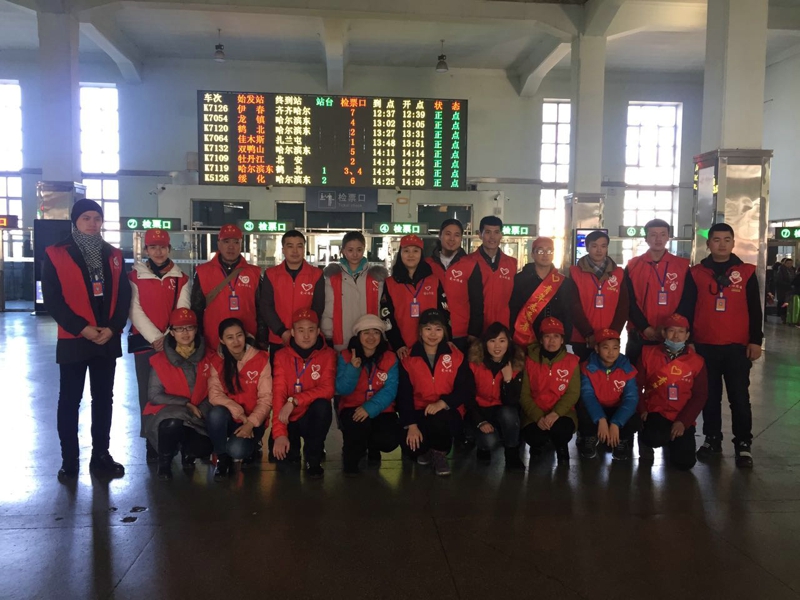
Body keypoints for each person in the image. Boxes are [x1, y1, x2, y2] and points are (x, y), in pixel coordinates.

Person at [42, 199, 131, 481]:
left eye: (97, 218)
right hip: (74, 339)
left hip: (107, 338)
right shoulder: (56, 253)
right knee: (70, 400)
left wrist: (113, 328)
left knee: (103, 399)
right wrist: (83, 328)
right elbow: (53, 300)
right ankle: (69, 460)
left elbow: (124, 295)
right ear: (75, 221)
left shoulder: (114, 255)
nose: (93, 223)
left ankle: (100, 455)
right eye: (86, 218)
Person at [678, 223, 762, 468]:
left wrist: (755, 340)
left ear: (733, 243)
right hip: (704, 346)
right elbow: (687, 308)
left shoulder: (746, 272)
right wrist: (689, 341)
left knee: (739, 397)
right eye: (716, 240)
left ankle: (743, 444)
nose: (722, 244)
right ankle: (712, 439)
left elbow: (755, 309)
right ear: (708, 244)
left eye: (727, 239)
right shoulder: (696, 273)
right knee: (709, 397)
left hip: (737, 347)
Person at [128, 228, 191, 463]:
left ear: (169, 249)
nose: (158, 252)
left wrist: (167, 338)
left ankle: (175, 439)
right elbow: (134, 309)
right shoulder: (134, 277)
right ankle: (151, 442)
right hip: (146, 346)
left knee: (176, 391)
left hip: (173, 344)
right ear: (146, 250)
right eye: (153, 247)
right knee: (147, 394)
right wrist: (156, 337)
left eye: (162, 247)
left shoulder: (181, 278)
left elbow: (182, 310)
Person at [397, 309, 475, 476]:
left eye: (438, 329)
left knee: (439, 419)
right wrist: (411, 425)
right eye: (428, 329)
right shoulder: (408, 359)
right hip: (419, 410)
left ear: (444, 332)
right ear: (420, 331)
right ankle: (427, 450)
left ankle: (439, 453)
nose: (433, 334)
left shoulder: (456, 356)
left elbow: (466, 388)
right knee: (412, 449)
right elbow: (403, 395)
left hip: (448, 411)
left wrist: (443, 403)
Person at [144, 308, 213, 480]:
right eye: (179, 329)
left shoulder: (210, 357)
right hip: (169, 414)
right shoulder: (160, 360)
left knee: (203, 447)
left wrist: (202, 409)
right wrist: (186, 404)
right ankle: (164, 463)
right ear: (172, 332)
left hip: (199, 413)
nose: (185, 333)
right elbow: (154, 395)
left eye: (190, 327)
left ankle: (188, 454)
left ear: (196, 330)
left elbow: (216, 390)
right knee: (172, 423)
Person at [637, 314, 708, 471]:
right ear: (663, 333)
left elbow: (700, 395)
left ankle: (671, 441)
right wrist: (642, 410)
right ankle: (650, 440)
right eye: (671, 331)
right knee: (652, 437)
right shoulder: (647, 353)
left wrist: (684, 421)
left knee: (685, 462)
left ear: (687, 336)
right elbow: (636, 385)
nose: (676, 336)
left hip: (681, 414)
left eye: (681, 332)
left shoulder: (697, 361)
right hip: (656, 412)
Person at [271, 309, 336, 478]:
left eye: (311, 330)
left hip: (310, 416)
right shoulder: (280, 356)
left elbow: (328, 389)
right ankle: (292, 447)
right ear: (292, 332)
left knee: (323, 406)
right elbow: (278, 394)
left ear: (318, 331)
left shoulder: (328, 354)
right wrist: (279, 434)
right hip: (289, 418)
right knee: (284, 463)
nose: (306, 336)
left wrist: (294, 400)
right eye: (301, 330)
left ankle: (312, 456)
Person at [335, 314, 401, 475]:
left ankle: (372, 447)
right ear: (358, 336)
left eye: (376, 332)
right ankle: (352, 456)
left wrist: (369, 408)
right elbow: (342, 389)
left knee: (390, 440)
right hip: (352, 407)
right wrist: (352, 369)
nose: (371, 337)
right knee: (357, 427)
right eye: (366, 332)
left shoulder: (390, 357)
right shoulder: (346, 356)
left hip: (381, 409)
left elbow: (390, 390)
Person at [207, 318, 272, 480]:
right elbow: (215, 395)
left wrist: (250, 423)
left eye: (239, 335)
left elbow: (266, 399)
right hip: (232, 417)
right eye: (230, 337)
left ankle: (252, 446)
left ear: (245, 335)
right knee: (215, 414)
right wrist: (239, 412)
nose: (236, 341)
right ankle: (222, 458)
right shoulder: (217, 361)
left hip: (253, 421)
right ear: (222, 340)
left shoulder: (261, 359)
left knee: (237, 450)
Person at [624, 219, 690, 366]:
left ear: (668, 237)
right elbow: (628, 301)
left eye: (663, 234)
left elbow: (688, 300)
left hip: (672, 336)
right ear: (646, 238)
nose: (658, 239)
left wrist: (670, 326)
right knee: (635, 375)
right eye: (653, 235)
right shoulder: (633, 266)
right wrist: (644, 327)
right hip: (639, 334)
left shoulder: (682, 266)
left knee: (670, 376)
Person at [465, 322, 526, 470]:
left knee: (509, 413)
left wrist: (508, 380)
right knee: (489, 441)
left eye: (502, 341)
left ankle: (512, 453)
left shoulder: (515, 365)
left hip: (501, 411)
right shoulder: (474, 364)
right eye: (492, 341)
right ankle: (482, 446)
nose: (497, 346)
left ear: (508, 343)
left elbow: (512, 402)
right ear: (485, 343)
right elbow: (467, 397)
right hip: (478, 411)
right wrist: (480, 421)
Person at [191, 224, 261, 352]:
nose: (231, 246)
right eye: (226, 241)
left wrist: (261, 341)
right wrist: (198, 340)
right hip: (213, 340)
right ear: (218, 244)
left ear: (241, 245)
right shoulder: (203, 272)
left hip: (247, 340)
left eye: (236, 242)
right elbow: (196, 309)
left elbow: (261, 310)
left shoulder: (254, 273)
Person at [519, 317, 580, 464]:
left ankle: (561, 446)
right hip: (534, 412)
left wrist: (555, 413)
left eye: (556, 336)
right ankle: (537, 446)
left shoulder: (572, 361)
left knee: (562, 431)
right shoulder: (528, 361)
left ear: (562, 340)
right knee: (535, 436)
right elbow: (524, 394)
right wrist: (538, 417)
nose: (551, 341)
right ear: (541, 340)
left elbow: (573, 393)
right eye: (547, 336)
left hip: (562, 413)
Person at [381, 234, 449, 360]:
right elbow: (386, 316)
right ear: (400, 254)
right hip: (401, 349)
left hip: (430, 346)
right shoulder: (390, 283)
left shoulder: (433, 281)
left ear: (421, 254)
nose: (411, 255)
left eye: (415, 251)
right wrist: (397, 344)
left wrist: (446, 340)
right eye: (406, 251)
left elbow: (444, 313)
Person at [577, 328, 639, 461]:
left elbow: (631, 398)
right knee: (582, 410)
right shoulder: (587, 368)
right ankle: (590, 437)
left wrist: (616, 422)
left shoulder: (627, 368)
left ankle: (621, 440)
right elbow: (588, 395)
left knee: (633, 417)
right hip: (596, 407)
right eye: (606, 348)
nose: (611, 352)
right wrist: (600, 418)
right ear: (597, 348)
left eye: (615, 348)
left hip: (616, 408)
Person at [259, 229, 325, 356]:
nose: (295, 251)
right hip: (278, 338)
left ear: (304, 249)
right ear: (283, 249)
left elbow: (318, 307)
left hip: (306, 339)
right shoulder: (271, 274)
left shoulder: (316, 274)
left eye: (299, 246)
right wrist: (282, 331)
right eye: (290, 246)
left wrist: (303, 332)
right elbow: (266, 306)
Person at [569, 230, 629, 361]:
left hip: (610, 339)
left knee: (607, 371)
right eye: (594, 246)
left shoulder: (619, 273)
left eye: (603, 246)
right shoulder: (574, 272)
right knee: (583, 370)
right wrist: (588, 334)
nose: (599, 250)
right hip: (582, 338)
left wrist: (613, 333)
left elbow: (623, 306)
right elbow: (573, 306)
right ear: (587, 248)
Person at [322, 231, 388, 351]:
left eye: (359, 249)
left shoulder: (376, 277)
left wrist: (384, 332)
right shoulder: (333, 278)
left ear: (364, 249)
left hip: (371, 340)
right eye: (350, 250)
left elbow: (381, 309)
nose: (355, 254)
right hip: (342, 337)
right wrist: (328, 334)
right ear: (343, 250)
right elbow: (328, 309)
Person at [509, 237, 578, 347]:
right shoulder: (519, 280)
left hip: (554, 340)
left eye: (549, 251)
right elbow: (514, 310)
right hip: (527, 338)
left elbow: (568, 313)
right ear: (532, 254)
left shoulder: (564, 282)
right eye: (540, 251)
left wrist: (566, 339)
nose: (545, 255)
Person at [426, 218, 482, 349]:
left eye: (457, 235)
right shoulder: (427, 264)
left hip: (461, 333)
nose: (452, 239)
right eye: (448, 234)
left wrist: (474, 332)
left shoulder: (470, 264)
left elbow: (477, 302)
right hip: (432, 332)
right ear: (440, 235)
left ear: (461, 238)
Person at [471, 216, 517, 334]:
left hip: (503, 329)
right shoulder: (468, 262)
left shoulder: (511, 264)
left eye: (496, 232)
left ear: (501, 235)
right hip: (476, 330)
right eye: (487, 232)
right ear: (480, 235)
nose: (492, 237)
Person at [775, 258, 795, 324]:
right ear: (785, 263)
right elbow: (779, 280)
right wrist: (788, 285)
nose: (789, 265)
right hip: (783, 289)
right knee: (783, 302)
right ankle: (783, 317)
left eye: (791, 263)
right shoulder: (781, 270)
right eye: (788, 263)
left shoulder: (793, 270)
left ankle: (788, 317)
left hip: (790, 289)